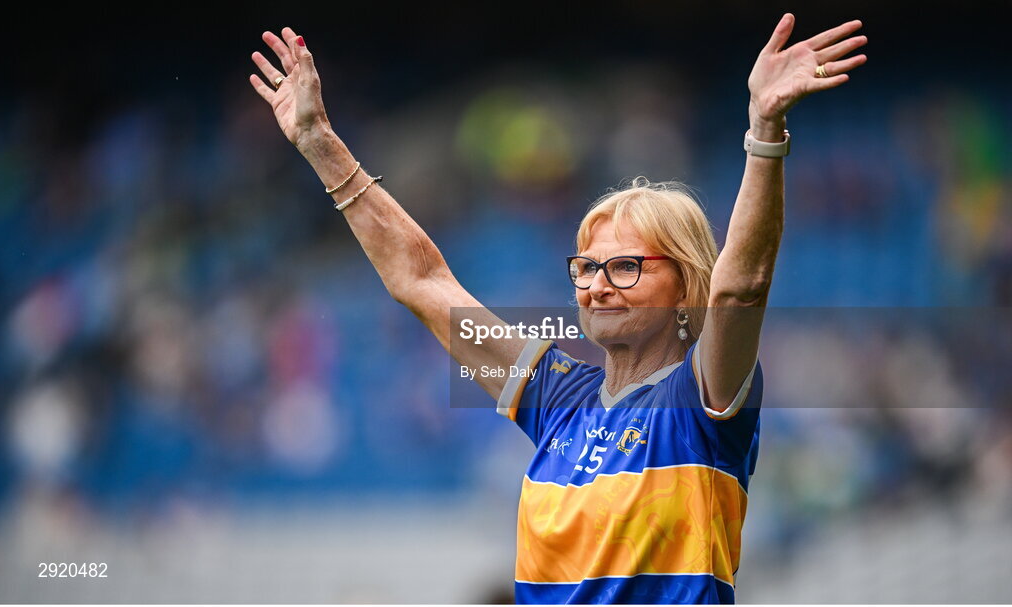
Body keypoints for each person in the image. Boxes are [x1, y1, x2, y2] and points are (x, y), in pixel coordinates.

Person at [248, 13, 867, 604]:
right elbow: (423, 282)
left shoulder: (700, 398)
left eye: (627, 266)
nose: (599, 285)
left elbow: (742, 287)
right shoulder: (558, 400)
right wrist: (318, 141)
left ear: (686, 288)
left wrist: (765, 131)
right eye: (587, 268)